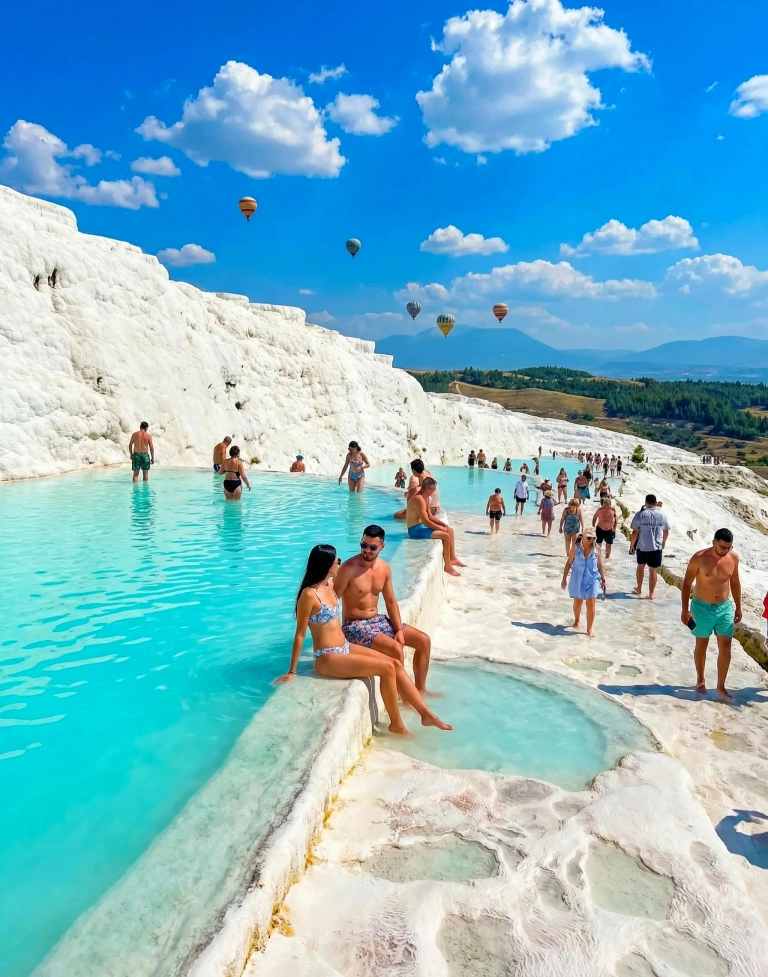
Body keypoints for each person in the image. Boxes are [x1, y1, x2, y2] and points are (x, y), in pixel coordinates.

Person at [278, 544, 451, 734]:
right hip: (326, 657)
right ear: (327, 565)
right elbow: (301, 633)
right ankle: (397, 726)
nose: (339, 564)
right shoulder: (309, 595)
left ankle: (427, 715)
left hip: (344, 647)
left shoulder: (329, 585)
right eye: (337, 561)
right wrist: (291, 671)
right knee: (386, 669)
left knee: (394, 663)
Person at [336, 525, 435, 694]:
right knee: (396, 649)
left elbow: (390, 602)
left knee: (424, 641)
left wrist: (398, 630)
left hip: (378, 621)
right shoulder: (348, 568)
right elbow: (332, 601)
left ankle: (421, 690)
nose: (367, 550)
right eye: (364, 545)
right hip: (354, 626)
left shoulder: (384, 568)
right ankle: (405, 697)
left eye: (372, 547)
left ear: (382, 547)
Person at [681, 529, 742, 702]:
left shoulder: (733, 558)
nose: (725, 551)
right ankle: (700, 679)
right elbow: (686, 584)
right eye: (722, 547)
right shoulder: (699, 558)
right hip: (701, 607)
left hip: (724, 607)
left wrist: (738, 607)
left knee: (726, 646)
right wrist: (685, 610)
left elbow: (735, 582)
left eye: (728, 548)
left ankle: (721, 686)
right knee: (702, 644)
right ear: (714, 541)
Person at [406, 478, 465, 576]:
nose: (434, 492)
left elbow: (430, 516)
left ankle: (453, 558)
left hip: (421, 527)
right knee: (445, 535)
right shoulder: (418, 499)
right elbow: (425, 521)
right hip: (415, 530)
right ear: (429, 489)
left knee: (450, 530)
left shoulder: (425, 497)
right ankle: (448, 567)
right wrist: (441, 529)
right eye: (434, 490)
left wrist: (442, 524)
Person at [561, 528, 606, 638]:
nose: (591, 540)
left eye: (593, 538)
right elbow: (568, 563)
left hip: (593, 579)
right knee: (578, 603)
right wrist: (564, 579)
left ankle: (589, 629)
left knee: (591, 604)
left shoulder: (597, 549)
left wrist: (603, 579)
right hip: (578, 578)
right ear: (583, 536)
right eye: (589, 538)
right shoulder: (575, 548)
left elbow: (600, 565)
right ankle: (577, 620)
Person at [629, 494, 670, 599]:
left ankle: (639, 588)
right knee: (653, 570)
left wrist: (631, 545)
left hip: (642, 546)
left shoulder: (641, 514)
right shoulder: (662, 515)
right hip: (656, 547)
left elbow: (635, 532)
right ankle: (651, 594)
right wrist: (664, 541)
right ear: (656, 503)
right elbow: (666, 531)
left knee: (640, 566)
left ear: (646, 503)